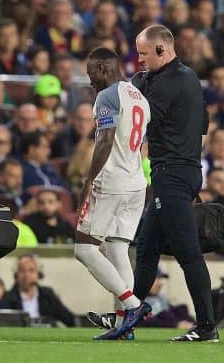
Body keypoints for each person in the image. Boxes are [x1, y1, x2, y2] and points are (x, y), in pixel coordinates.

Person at [131, 25, 218, 342]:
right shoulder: (186, 77)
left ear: (161, 51)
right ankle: (127, 318)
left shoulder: (171, 81)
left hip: (173, 173)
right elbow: (205, 121)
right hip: (174, 171)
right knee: (146, 249)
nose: (139, 60)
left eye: (143, 54)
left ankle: (207, 326)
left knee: (188, 253)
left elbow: (141, 118)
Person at [72, 47, 150, 340]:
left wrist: (88, 180)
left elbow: (105, 140)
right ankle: (123, 326)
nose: (91, 82)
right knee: (117, 248)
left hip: (111, 180)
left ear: (104, 68)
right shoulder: (139, 97)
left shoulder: (107, 96)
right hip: (135, 181)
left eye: (92, 75)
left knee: (84, 248)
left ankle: (132, 306)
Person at [4, 254, 76, 327]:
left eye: (31, 270)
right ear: (16, 275)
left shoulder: (48, 295)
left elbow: (70, 319)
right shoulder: (8, 298)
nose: (27, 275)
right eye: (22, 270)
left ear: (38, 274)